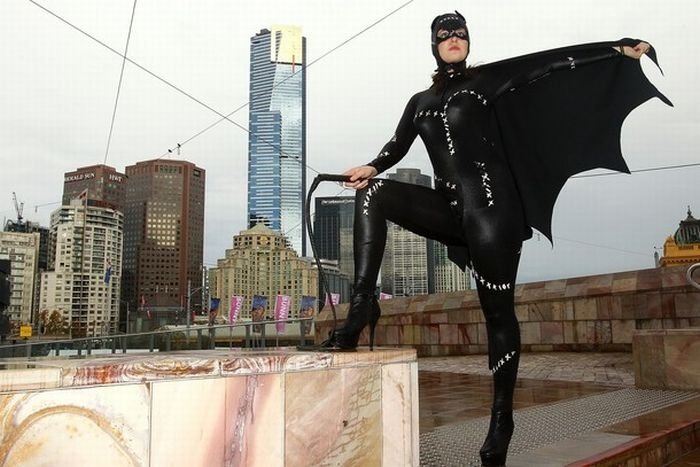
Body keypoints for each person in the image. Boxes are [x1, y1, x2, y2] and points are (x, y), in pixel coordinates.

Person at [320, 10, 670, 466]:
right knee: (374, 194)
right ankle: (363, 306)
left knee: (497, 314)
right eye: (444, 34)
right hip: (450, 208)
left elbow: (550, 64)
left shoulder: (486, 82)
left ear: (468, 40)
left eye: (460, 32)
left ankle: (501, 419)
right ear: (432, 44)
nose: (453, 38)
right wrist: (371, 166)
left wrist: (613, 51)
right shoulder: (419, 101)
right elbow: (397, 144)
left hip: (492, 211)